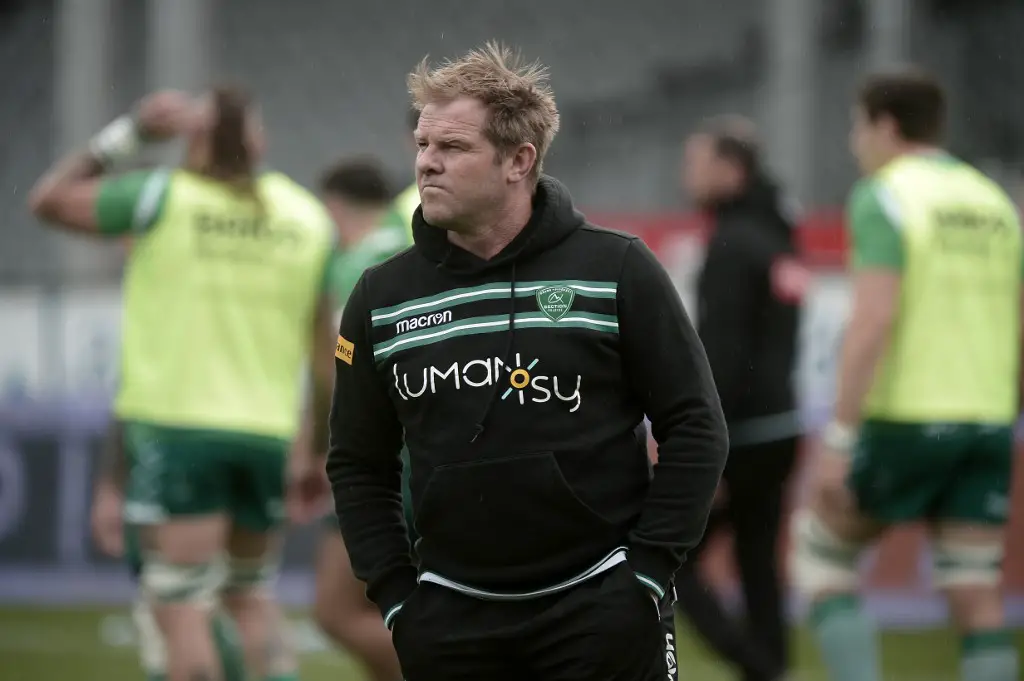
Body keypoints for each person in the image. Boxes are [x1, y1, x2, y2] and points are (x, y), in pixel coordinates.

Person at [327, 41, 729, 681]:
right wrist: (397, 597)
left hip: (600, 604)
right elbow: (356, 462)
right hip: (451, 617)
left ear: (520, 160)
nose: (427, 164)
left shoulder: (616, 269)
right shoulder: (379, 297)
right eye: (423, 146)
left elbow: (696, 425)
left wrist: (649, 574)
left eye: (452, 148)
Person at [29, 87, 338, 681]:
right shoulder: (306, 218)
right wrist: (316, 450)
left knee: (181, 605)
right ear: (260, 142)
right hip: (266, 437)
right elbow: (326, 357)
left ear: (192, 140)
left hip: (178, 435)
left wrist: (131, 135)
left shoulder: (160, 196)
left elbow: (48, 201)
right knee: (250, 597)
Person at [789, 68, 1022, 681]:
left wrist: (838, 440)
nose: (852, 141)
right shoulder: (993, 201)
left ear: (885, 125)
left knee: (821, 557)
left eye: (856, 125)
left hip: (908, 420)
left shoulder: (886, 195)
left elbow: (873, 319)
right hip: (989, 421)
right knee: (973, 589)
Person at [675, 117, 806, 681]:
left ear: (732, 170)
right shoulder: (778, 235)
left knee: (670, 559)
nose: (688, 176)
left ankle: (759, 668)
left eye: (697, 164)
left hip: (742, 432)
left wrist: (705, 445)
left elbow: (722, 357)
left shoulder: (730, 245)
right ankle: (771, 665)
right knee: (757, 562)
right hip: (782, 426)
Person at [310, 157, 408, 681]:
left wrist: (318, 448)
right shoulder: (411, 244)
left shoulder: (353, 267)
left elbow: (341, 374)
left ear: (334, 206)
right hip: (424, 450)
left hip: (378, 461)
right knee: (381, 605)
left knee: (336, 611)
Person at [90, 419, 247, 681]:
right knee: (247, 599)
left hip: (177, 448)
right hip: (259, 440)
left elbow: (133, 397)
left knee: (178, 603)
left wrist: (112, 481)